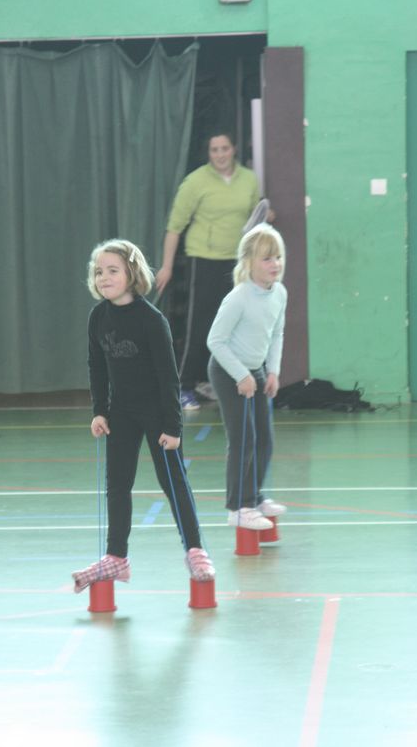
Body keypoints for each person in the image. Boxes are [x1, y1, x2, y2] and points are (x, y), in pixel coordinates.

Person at [72, 238, 215, 593]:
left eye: (112, 271)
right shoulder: (98, 317)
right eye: (99, 271)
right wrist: (99, 411)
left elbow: (169, 378)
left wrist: (173, 427)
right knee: (117, 485)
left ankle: (195, 550)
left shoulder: (152, 320)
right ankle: (116, 558)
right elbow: (97, 367)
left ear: (132, 273)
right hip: (121, 413)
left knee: (174, 483)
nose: (104, 277)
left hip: (157, 414)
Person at [156, 131, 260, 411]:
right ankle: (184, 387)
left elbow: (255, 217)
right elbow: (175, 226)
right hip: (204, 260)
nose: (220, 154)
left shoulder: (249, 180)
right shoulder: (195, 182)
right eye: (214, 150)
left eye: (224, 148)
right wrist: (166, 266)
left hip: (238, 264)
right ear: (209, 153)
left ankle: (214, 381)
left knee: (233, 326)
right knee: (200, 325)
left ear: (234, 149)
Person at [207, 223, 288, 531]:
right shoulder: (239, 298)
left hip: (255, 372)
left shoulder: (279, 292)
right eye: (267, 258)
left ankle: (254, 497)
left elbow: (276, 333)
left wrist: (273, 372)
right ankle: (238, 507)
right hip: (228, 372)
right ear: (249, 263)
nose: (275, 264)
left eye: (278, 257)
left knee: (265, 439)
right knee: (244, 439)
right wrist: (241, 375)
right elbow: (215, 341)